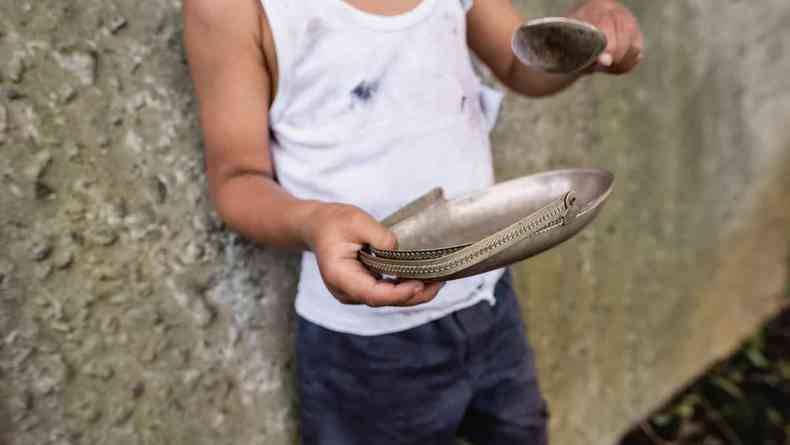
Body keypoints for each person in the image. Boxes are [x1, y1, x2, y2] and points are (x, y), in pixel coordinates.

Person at [183, 0, 643, 443]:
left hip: (488, 298)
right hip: (365, 346)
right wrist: (313, 221)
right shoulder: (234, 8)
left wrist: (586, 41)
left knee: (520, 429)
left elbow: (521, 63)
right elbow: (238, 180)